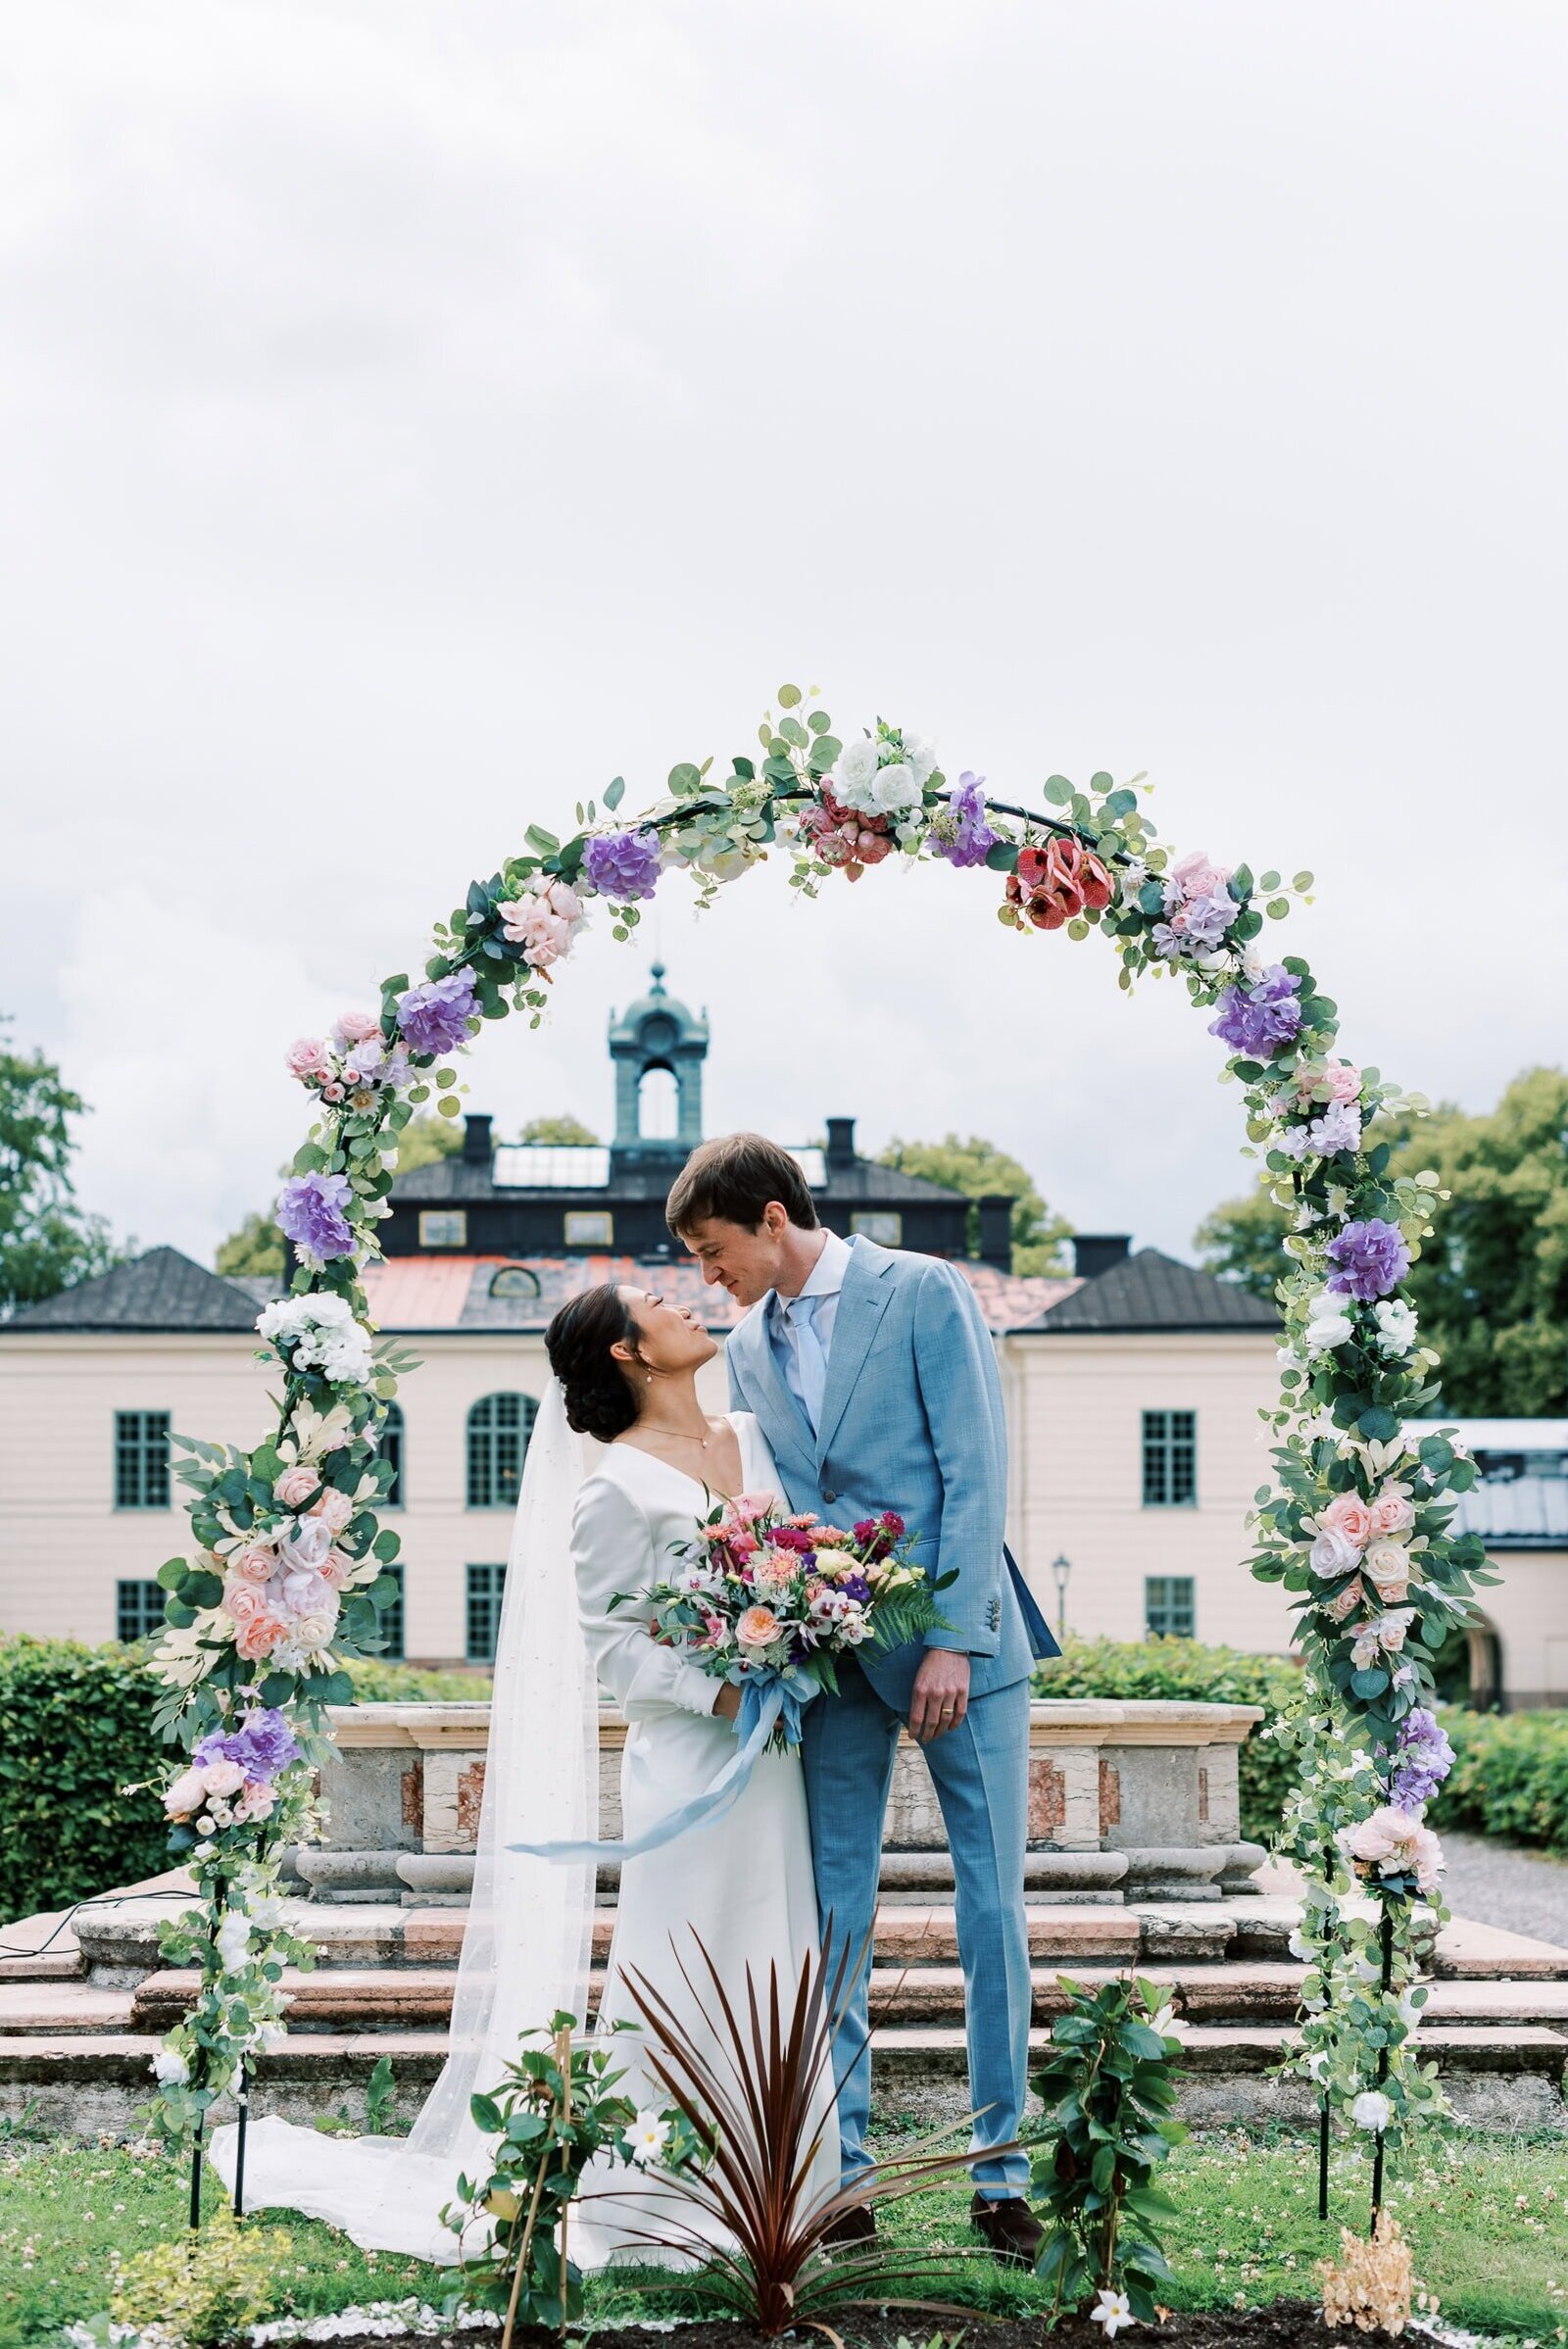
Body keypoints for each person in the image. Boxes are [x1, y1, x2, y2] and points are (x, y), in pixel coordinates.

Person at [210, 1280, 835, 2266]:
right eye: (655, 1300)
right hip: (692, 1762)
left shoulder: (754, 1438)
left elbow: (805, 1557)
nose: (682, 1301)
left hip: (776, 1763)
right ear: (629, 1352)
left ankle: (780, 2194)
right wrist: (723, 1694)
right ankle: (651, 2209)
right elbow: (615, 1647)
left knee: (776, 1951)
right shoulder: (613, 1488)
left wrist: (812, 1622)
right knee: (683, 1961)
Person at [667, 1130, 1057, 2267]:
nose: (709, 1276)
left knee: (990, 1907)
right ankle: (848, 2178)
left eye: (713, 1248)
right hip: (830, 1666)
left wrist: (951, 1640)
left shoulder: (924, 1291)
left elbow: (975, 1471)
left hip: (962, 1655)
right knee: (831, 1914)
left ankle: (1000, 2177)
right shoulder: (743, 1347)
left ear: (772, 1218)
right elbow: (783, 1502)